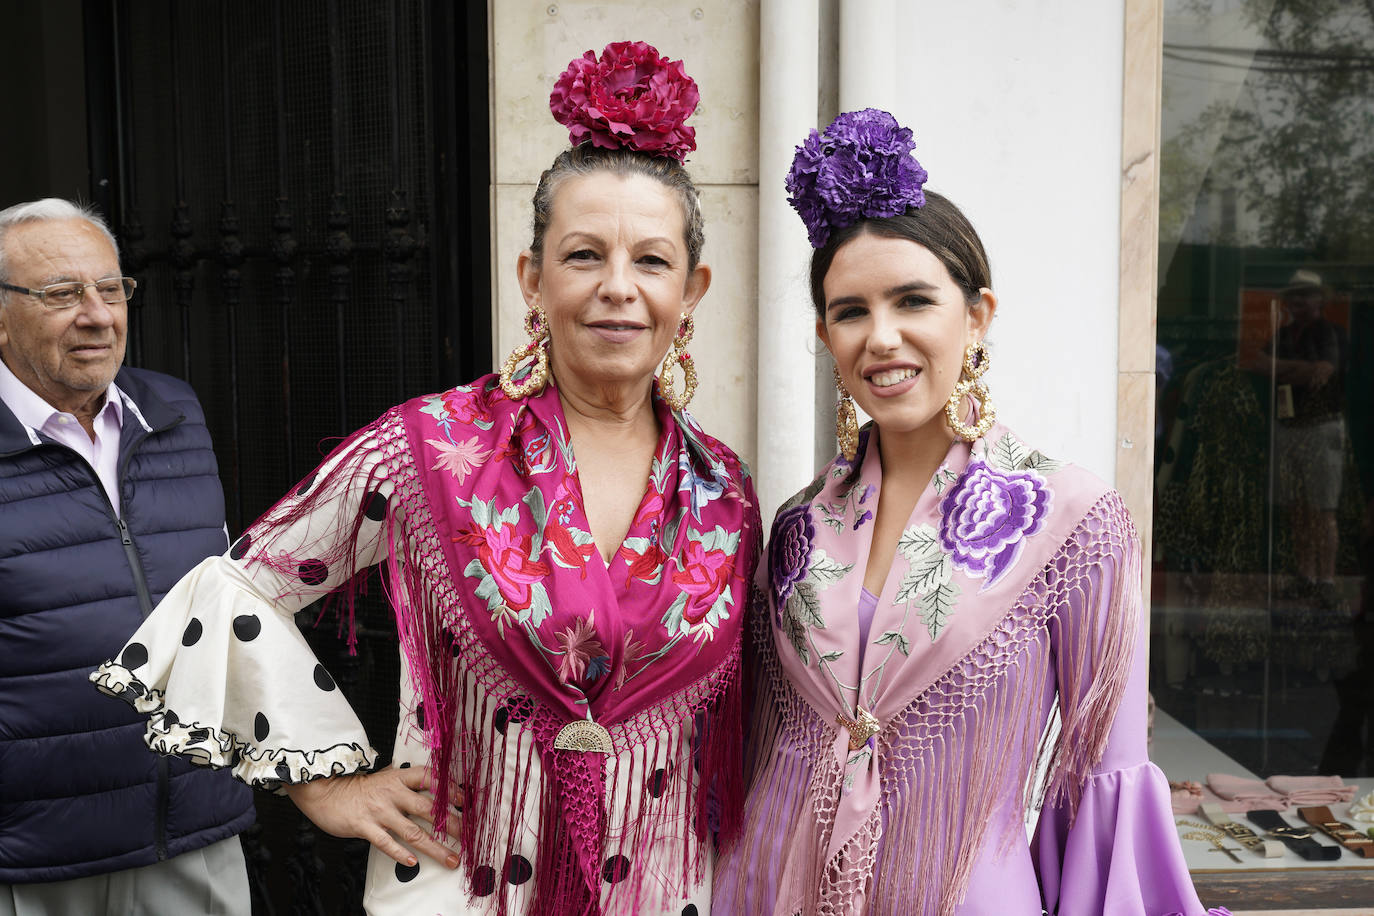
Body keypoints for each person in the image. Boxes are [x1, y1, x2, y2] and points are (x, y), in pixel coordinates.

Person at [93, 41, 760, 916]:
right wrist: (327, 784)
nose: (617, 289)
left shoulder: (724, 491)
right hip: (459, 887)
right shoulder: (429, 450)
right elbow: (238, 583)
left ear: (693, 290)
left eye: (652, 261)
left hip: (664, 892)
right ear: (532, 277)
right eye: (584, 255)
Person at [712, 111, 1228, 915]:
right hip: (775, 890)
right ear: (825, 335)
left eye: (913, 300)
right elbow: (759, 749)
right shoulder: (797, 525)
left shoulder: (1073, 519)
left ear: (977, 314)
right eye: (850, 312)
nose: (882, 337)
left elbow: (1104, 775)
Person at [0, 199, 254, 914]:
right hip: (33, 858)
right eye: (61, 294)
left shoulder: (173, 412)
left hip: (193, 835)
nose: (97, 315)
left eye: (111, 289)